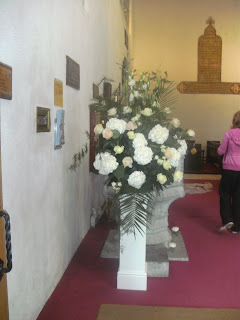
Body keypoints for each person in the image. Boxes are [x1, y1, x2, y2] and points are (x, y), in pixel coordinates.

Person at [218, 110, 240, 234]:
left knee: (225, 194)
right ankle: (236, 227)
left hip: (229, 169)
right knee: (238, 197)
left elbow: (221, 151)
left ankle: (227, 220)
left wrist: (219, 151)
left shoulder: (229, 134)